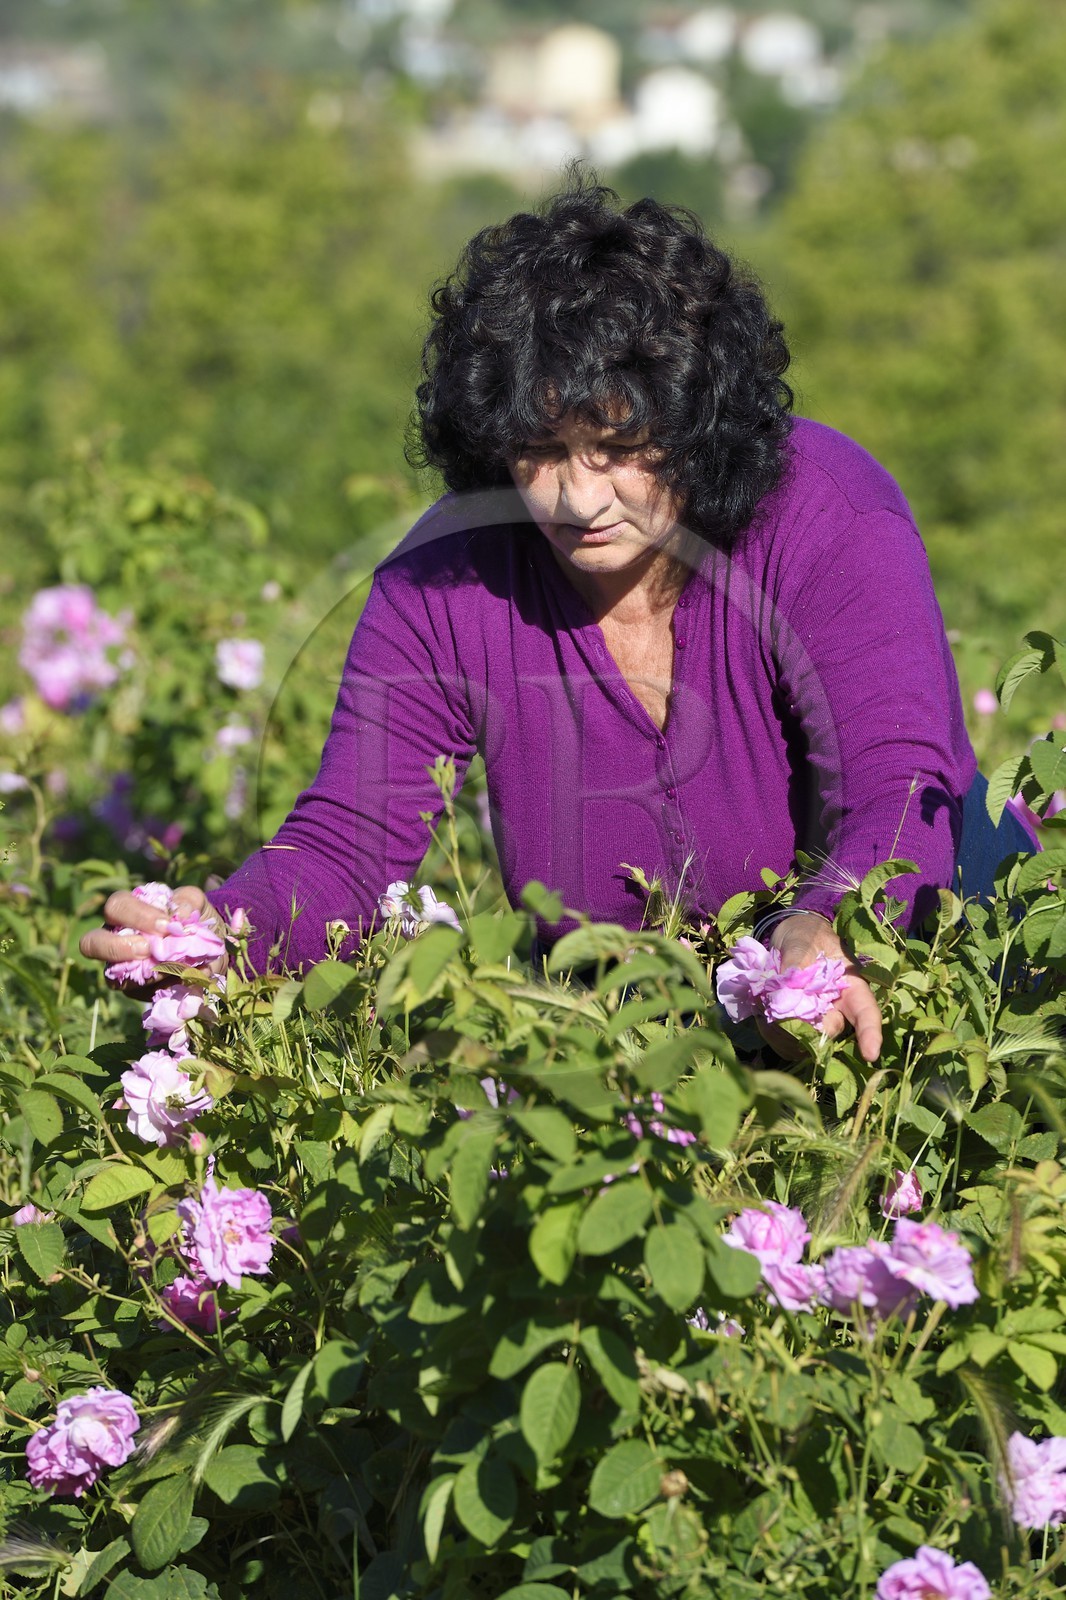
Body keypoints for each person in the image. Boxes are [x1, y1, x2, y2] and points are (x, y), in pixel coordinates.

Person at [79, 177, 1032, 1062]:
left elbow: (903, 789)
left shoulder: (825, 517)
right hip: (634, 1042)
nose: (579, 497)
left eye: (621, 449)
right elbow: (349, 848)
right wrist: (220, 938)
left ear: (700, 429)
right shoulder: (443, 583)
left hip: (957, 969)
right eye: (539, 450)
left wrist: (821, 930)